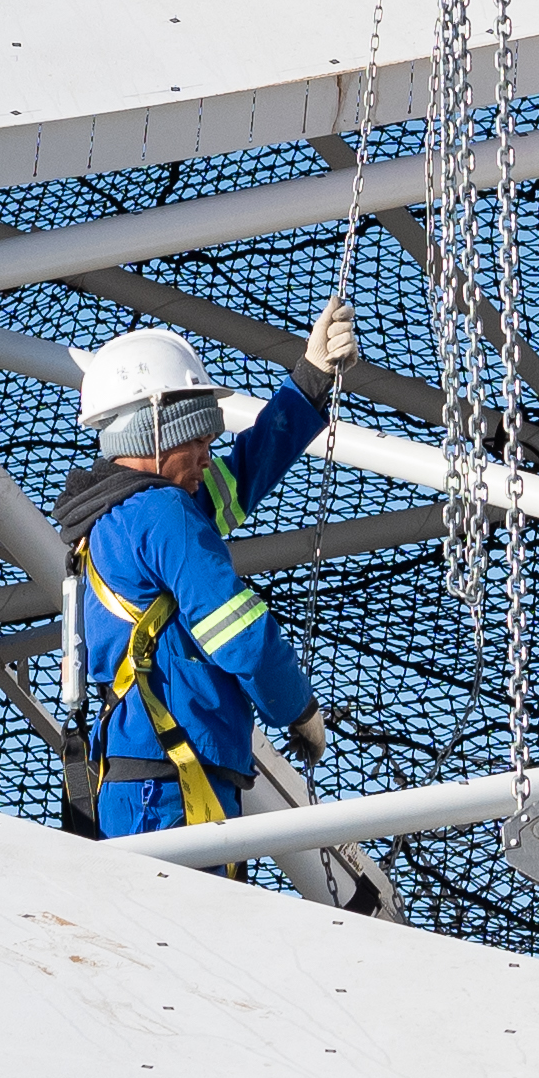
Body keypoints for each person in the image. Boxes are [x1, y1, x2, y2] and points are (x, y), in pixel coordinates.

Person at [53, 300, 353, 839]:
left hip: (141, 779)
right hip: (170, 785)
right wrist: (299, 709)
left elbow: (245, 472)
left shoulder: (117, 522)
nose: (209, 458)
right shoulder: (164, 513)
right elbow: (241, 635)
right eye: (199, 440)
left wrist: (308, 384)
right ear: (155, 432)